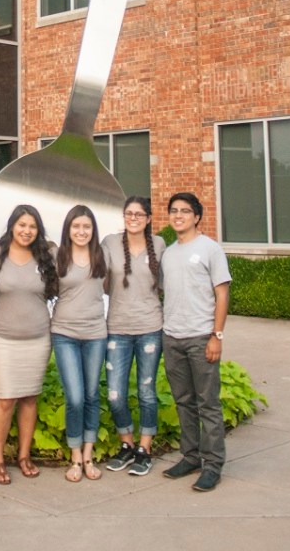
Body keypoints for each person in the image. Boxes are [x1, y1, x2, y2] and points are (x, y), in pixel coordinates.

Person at [160, 192, 231, 492]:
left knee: (208, 404)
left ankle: (213, 464)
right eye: (174, 210)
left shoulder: (210, 249)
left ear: (197, 216)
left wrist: (217, 335)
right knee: (183, 402)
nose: (178, 215)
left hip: (202, 337)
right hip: (172, 337)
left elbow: (222, 294)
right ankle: (191, 456)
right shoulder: (168, 253)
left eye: (185, 211)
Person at [0, 204, 58, 485]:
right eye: (22, 225)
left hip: (38, 338)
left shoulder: (47, 255)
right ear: (12, 225)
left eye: (32, 226)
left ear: (38, 231)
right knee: (4, 399)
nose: (26, 231)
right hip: (2, 338)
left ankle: (24, 456)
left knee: (29, 398)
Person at [102, 195, 165, 477]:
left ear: (149, 219)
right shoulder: (110, 243)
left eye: (139, 215)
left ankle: (145, 448)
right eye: (129, 214)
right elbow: (99, 278)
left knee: (146, 392)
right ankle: (126, 444)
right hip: (117, 327)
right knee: (115, 394)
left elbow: (165, 284)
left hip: (150, 327)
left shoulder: (160, 244)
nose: (134, 219)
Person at [51, 205, 107, 482]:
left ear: (93, 230)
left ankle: (88, 453)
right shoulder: (57, 256)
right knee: (74, 396)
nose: (81, 232)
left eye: (86, 227)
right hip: (64, 334)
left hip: (96, 333)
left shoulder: (102, 255)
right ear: (68, 229)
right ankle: (74, 454)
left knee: (91, 394)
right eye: (76, 227)